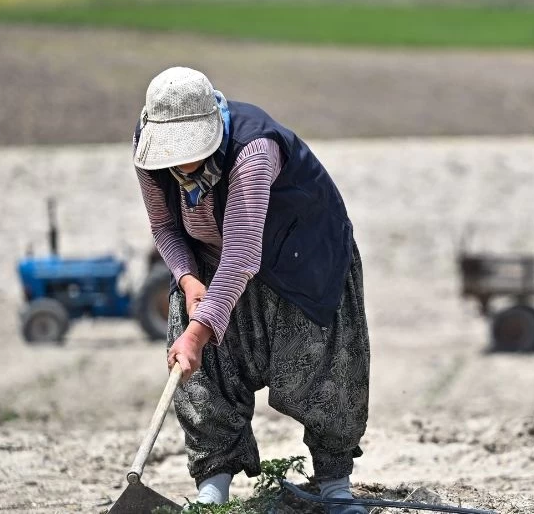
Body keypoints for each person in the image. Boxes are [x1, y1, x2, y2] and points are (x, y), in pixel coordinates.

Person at [132, 67, 370, 513]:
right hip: (207, 255)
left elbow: (242, 253)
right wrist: (187, 280)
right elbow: (164, 226)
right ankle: (214, 488)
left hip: (300, 253)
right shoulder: (148, 149)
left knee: (322, 368)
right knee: (204, 372)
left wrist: (198, 331)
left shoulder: (253, 150)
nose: (180, 163)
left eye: (191, 151)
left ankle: (335, 484)